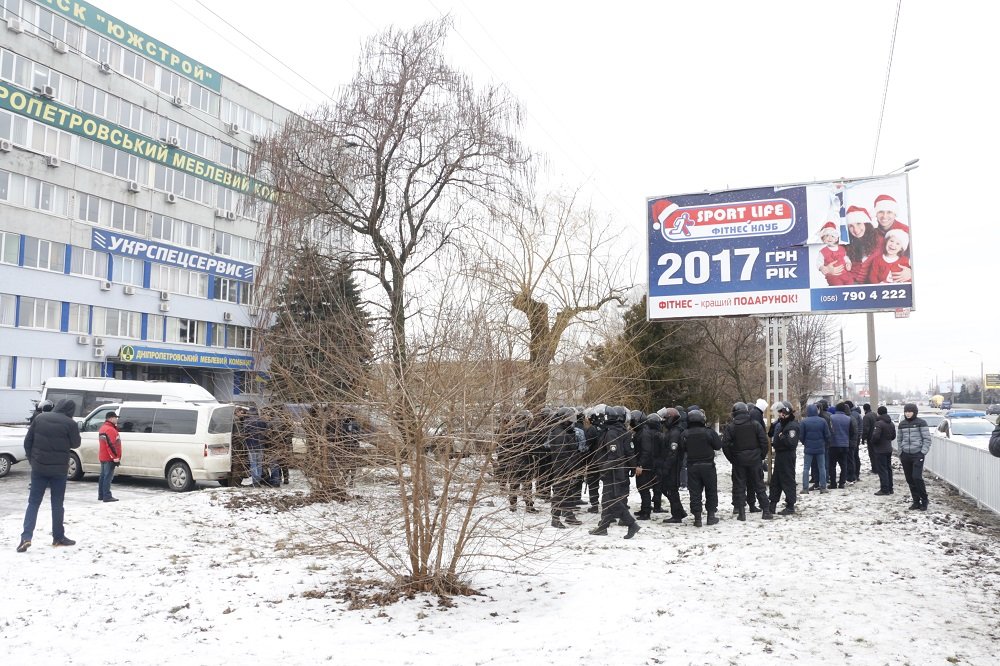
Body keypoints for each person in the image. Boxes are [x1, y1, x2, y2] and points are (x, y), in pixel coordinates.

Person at [17, 398, 81, 552]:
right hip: (59, 471)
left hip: (39, 468)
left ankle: (26, 537)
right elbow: (76, 444)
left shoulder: (40, 418)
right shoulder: (70, 423)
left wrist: (33, 460)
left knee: (33, 503)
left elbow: (28, 442)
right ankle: (58, 537)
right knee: (57, 505)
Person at [589, 406, 640, 538]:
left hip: (612, 471)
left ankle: (631, 524)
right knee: (607, 500)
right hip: (613, 471)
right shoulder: (618, 430)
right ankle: (603, 527)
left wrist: (604, 468)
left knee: (613, 500)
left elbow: (614, 455)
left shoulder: (611, 432)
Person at [722, 402, 772, 521]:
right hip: (754, 460)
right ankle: (766, 511)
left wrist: (732, 459)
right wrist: (760, 456)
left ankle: (741, 513)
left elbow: (725, 445)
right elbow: (764, 442)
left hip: (739, 461)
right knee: (759, 485)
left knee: (739, 486)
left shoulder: (731, 427)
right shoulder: (755, 425)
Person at [681, 409, 723, 527]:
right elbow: (718, 445)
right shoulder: (708, 432)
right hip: (708, 466)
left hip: (692, 466)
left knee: (694, 492)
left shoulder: (685, 433)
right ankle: (711, 516)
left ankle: (697, 518)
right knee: (711, 491)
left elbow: (682, 448)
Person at [548, 407, 582, 529]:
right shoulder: (559, 433)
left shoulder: (564, 431)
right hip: (562, 468)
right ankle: (555, 518)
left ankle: (569, 514)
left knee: (568, 492)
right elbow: (562, 454)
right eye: (569, 420)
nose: (571, 422)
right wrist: (570, 468)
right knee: (560, 492)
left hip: (566, 467)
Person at [897, 403, 931, 510]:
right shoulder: (902, 424)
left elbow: (927, 439)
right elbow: (899, 439)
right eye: (906, 411)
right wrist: (900, 452)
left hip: (917, 454)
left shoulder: (921, 423)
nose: (908, 413)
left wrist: (922, 452)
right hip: (905, 455)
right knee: (909, 479)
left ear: (915, 412)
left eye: (910, 411)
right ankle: (916, 501)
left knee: (917, 477)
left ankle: (924, 500)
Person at [768, 401, 799, 515]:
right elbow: (770, 434)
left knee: (787, 479)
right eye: (779, 412)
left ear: (786, 412)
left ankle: (790, 506)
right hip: (780, 455)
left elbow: (791, 443)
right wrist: (774, 426)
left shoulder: (792, 426)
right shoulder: (781, 423)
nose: (780, 414)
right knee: (776, 480)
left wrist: (782, 437)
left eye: (781, 412)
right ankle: (772, 504)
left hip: (787, 455)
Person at [658, 408, 687, 523]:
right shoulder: (673, 430)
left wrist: (666, 467)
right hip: (671, 465)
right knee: (667, 489)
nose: (664, 421)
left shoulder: (675, 432)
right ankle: (679, 512)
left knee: (671, 490)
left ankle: (677, 515)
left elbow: (672, 452)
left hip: (673, 466)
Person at [844, 207, 881, 283]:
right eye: (851, 226)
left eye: (858, 223)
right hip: (850, 282)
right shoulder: (846, 243)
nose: (856, 230)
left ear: (866, 224)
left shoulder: (880, 241)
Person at [800, 404, 831, 495]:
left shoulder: (804, 422)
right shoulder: (822, 421)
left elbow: (801, 436)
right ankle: (823, 487)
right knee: (822, 467)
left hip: (808, 448)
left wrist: (805, 443)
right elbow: (827, 435)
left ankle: (805, 488)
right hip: (820, 448)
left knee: (806, 468)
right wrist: (825, 443)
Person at [816, 221, 854, 286]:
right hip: (833, 277)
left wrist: (848, 263)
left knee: (850, 282)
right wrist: (822, 268)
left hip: (845, 273)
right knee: (837, 286)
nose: (830, 238)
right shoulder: (823, 251)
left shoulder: (842, 248)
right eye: (827, 235)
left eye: (832, 236)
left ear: (836, 239)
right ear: (823, 238)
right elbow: (819, 262)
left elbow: (845, 257)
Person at [870, 406, 896, 496]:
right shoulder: (891, 423)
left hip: (880, 449)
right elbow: (893, 436)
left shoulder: (879, 424)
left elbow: (876, 436)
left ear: (879, 413)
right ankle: (890, 488)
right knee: (888, 468)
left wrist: (873, 442)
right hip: (888, 448)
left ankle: (884, 489)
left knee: (882, 469)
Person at [97, 410, 122, 502]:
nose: (116, 419)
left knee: (103, 476)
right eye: (115, 418)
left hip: (103, 456)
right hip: (109, 457)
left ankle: (101, 495)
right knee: (108, 477)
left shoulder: (103, 428)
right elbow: (111, 445)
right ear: (111, 418)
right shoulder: (110, 430)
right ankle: (107, 496)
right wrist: (115, 457)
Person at [862, 403, 877, 475]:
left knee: (872, 454)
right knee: (876, 453)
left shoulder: (866, 417)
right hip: (876, 437)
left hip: (870, 438)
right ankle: (877, 467)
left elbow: (866, 429)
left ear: (864, 409)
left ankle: (874, 468)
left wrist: (863, 438)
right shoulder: (874, 414)